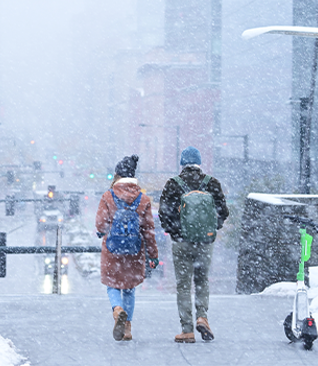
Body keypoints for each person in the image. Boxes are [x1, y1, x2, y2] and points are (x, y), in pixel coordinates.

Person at [159, 146, 229, 343]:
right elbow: (223, 212)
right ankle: (202, 317)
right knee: (202, 281)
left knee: (183, 285)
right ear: (199, 163)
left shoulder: (173, 184)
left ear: (182, 164)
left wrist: (175, 232)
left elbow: (164, 214)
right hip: (205, 242)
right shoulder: (212, 183)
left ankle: (187, 330)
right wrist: (211, 229)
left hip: (181, 243)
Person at [96, 155, 159, 341]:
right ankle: (128, 328)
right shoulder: (143, 199)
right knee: (130, 289)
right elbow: (149, 231)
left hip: (112, 251)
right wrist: (153, 255)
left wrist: (104, 232)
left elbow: (100, 225)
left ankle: (117, 310)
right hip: (134, 252)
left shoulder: (108, 196)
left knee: (112, 285)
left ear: (117, 175)